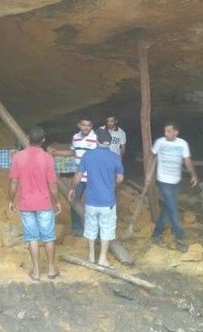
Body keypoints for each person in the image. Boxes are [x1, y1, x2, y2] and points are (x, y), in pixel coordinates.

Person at [8, 126, 61, 281]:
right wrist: (56, 202)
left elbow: (13, 182)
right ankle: (51, 270)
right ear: (43, 140)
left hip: (26, 204)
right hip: (44, 204)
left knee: (32, 238)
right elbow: (53, 184)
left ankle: (36, 272)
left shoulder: (18, 157)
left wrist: (11, 200)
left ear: (27, 138)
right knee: (49, 237)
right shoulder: (47, 158)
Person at [69, 129, 124, 267]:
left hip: (91, 201)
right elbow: (120, 178)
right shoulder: (115, 157)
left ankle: (91, 256)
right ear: (110, 142)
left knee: (91, 228)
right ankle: (103, 259)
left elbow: (78, 176)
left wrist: (72, 188)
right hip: (108, 202)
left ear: (96, 141)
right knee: (106, 229)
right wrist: (112, 184)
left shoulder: (88, 156)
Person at [144, 121, 198, 253]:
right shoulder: (160, 142)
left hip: (176, 181)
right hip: (163, 180)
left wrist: (193, 175)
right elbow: (152, 156)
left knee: (168, 208)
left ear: (176, 132)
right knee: (173, 209)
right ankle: (180, 238)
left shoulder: (182, 144)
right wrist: (148, 174)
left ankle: (156, 234)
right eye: (165, 131)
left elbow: (187, 160)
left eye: (168, 131)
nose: (165, 133)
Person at [48, 117, 97, 237]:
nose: (86, 127)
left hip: (93, 176)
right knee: (74, 201)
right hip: (79, 177)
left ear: (91, 126)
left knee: (93, 203)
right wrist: (56, 152)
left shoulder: (95, 138)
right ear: (79, 125)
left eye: (88, 125)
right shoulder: (75, 137)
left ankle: (94, 230)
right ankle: (77, 228)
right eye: (84, 125)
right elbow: (73, 152)